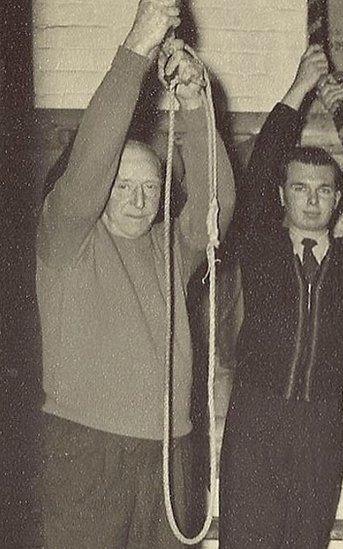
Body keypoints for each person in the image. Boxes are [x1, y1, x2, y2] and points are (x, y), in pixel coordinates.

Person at [34, 0, 236, 546]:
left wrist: (194, 103)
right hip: (86, 447)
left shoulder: (172, 248)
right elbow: (91, 157)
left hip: (169, 450)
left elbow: (216, 204)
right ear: (101, 191)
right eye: (123, 186)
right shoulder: (66, 235)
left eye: (150, 187)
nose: (140, 199)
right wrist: (136, 49)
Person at [218, 44, 343, 547]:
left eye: (324, 190)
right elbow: (254, 178)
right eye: (300, 188)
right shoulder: (260, 246)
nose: (313, 199)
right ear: (283, 195)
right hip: (256, 418)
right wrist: (298, 92)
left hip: (320, 424)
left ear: (340, 198)